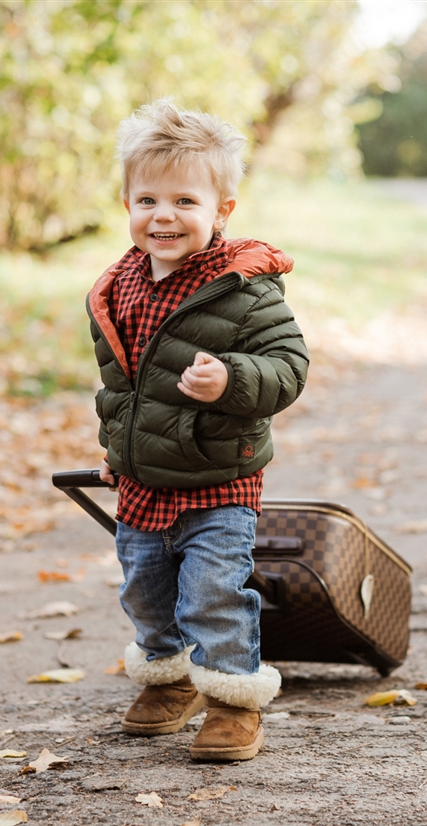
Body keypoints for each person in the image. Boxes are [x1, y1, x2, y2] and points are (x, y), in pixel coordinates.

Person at [86, 99, 308, 762]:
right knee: (145, 590)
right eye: (147, 199)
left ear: (223, 210)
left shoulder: (245, 290)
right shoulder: (117, 287)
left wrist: (233, 378)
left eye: (185, 200)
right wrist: (115, 452)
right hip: (145, 480)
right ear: (125, 201)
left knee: (213, 590)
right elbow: (123, 388)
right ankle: (169, 677)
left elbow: (289, 366)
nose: (163, 216)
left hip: (218, 479)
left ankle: (235, 702)